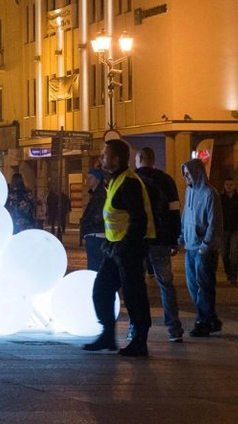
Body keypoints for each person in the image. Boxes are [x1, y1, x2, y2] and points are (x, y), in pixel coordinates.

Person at [84, 139, 154, 358]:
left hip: (129, 249)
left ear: (116, 159)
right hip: (115, 248)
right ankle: (107, 335)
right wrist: (111, 243)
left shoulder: (129, 182)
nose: (101, 158)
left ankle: (140, 342)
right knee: (101, 290)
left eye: (105, 155)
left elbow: (138, 220)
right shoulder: (115, 180)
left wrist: (123, 246)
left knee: (134, 296)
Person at [134, 146, 184, 343]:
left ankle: (136, 327)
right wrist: (174, 239)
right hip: (162, 239)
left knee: (137, 285)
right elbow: (174, 211)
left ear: (139, 158)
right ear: (153, 160)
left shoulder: (133, 179)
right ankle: (174, 328)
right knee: (166, 284)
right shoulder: (167, 181)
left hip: (138, 240)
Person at [180, 158, 223, 337]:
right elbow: (185, 215)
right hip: (190, 246)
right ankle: (210, 318)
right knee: (192, 285)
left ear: (196, 172)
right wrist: (182, 235)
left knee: (204, 285)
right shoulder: (188, 192)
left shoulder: (209, 193)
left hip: (203, 249)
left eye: (188, 173)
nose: (186, 177)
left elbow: (214, 221)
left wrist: (205, 245)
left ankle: (203, 322)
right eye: (184, 174)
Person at [219, 177, 238, 283]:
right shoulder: (220, 198)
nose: (229, 186)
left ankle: (233, 275)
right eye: (227, 184)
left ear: (234, 185)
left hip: (236, 229)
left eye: (231, 184)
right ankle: (228, 272)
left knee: (234, 252)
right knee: (224, 253)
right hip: (223, 229)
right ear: (224, 185)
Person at [79, 168, 107, 272]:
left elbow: (98, 216)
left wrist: (87, 228)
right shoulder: (96, 194)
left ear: (98, 180)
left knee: (94, 267)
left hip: (96, 236)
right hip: (95, 235)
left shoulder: (99, 196)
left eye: (91, 177)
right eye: (87, 177)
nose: (87, 180)